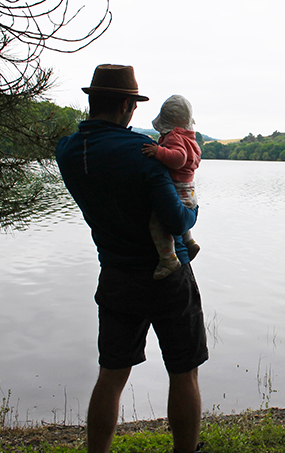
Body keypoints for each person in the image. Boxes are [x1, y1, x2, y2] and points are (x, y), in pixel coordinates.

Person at [55, 64, 208, 453]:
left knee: (111, 374)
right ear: (127, 104)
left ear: (92, 101)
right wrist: (194, 211)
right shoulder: (142, 155)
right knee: (183, 372)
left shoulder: (69, 151)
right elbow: (175, 219)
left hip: (116, 275)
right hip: (167, 278)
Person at [142, 95, 202, 280]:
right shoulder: (189, 138)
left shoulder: (174, 137)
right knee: (181, 211)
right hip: (189, 191)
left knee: (157, 222)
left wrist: (158, 151)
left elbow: (179, 158)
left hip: (177, 189)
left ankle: (168, 258)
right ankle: (189, 241)